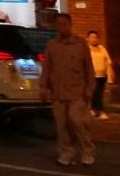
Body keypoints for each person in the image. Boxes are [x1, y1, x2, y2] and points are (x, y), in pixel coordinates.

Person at [40, 12, 96, 166]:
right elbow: (47, 68)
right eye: (59, 25)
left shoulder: (80, 44)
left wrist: (89, 89)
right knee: (62, 125)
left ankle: (87, 151)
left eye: (65, 24)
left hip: (77, 91)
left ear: (70, 25)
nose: (62, 27)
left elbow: (89, 69)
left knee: (77, 121)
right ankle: (66, 153)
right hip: (58, 92)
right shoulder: (52, 45)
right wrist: (43, 87)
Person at [87, 30, 114, 120]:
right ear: (88, 39)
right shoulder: (86, 49)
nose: (94, 39)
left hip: (102, 76)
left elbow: (107, 61)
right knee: (96, 93)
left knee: (98, 93)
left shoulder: (102, 48)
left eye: (95, 37)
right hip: (91, 76)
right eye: (92, 37)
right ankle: (100, 111)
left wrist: (110, 74)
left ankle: (93, 109)